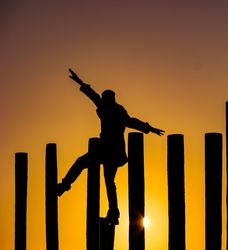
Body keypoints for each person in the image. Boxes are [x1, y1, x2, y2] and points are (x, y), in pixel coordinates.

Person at [57, 69, 164, 225]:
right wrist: (150, 128)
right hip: (112, 151)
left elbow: (94, 97)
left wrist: (150, 128)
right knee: (107, 180)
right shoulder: (116, 109)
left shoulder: (111, 109)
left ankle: (65, 186)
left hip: (109, 151)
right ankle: (112, 213)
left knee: (85, 164)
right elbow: (132, 121)